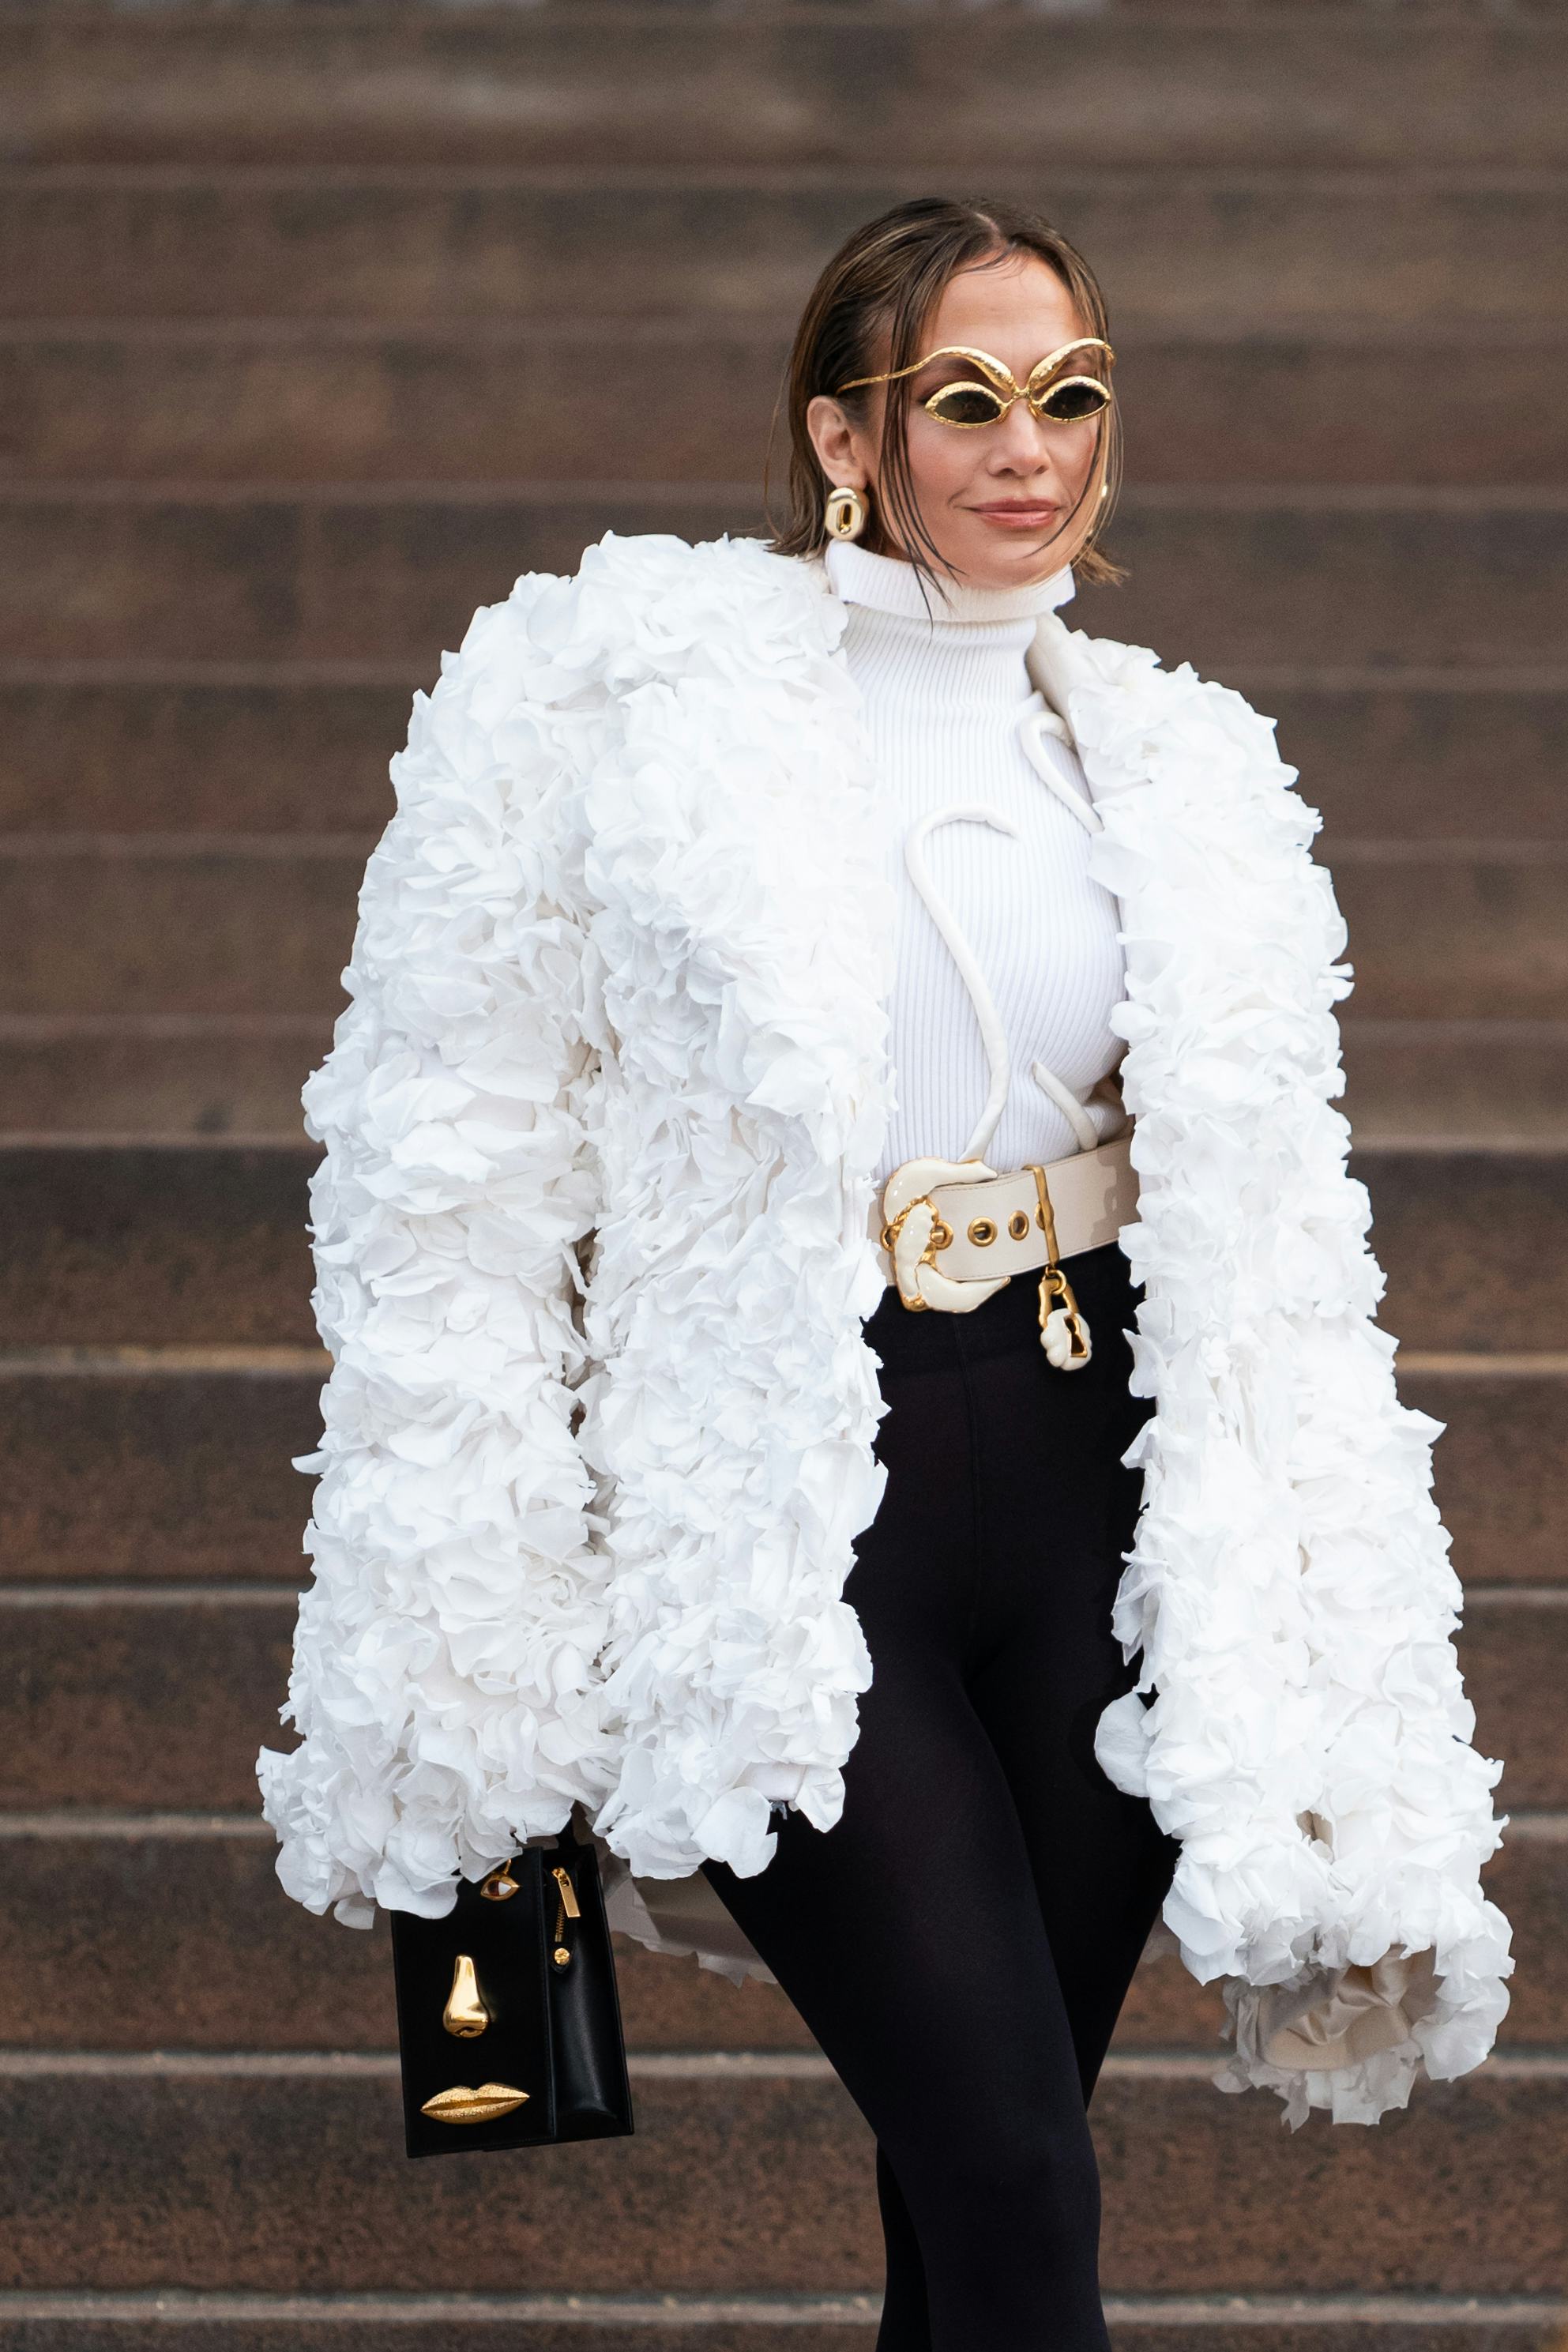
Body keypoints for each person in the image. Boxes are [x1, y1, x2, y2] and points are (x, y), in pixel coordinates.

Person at [258, 198, 1511, 2350]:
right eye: (967, 401)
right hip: (789, 1497)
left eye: (1072, 398)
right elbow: (450, 1188)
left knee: (976, 2198)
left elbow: (1277, 1220)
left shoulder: (1171, 756)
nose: (1030, 448)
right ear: (847, 432)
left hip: (1099, 1485)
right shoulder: (613, 714)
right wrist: (466, 1640)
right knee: (1014, 2172)